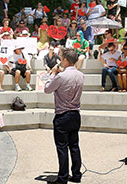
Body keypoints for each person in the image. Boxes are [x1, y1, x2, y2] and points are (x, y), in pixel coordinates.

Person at [43, 49, 83, 184]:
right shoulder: (80, 75)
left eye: (61, 58)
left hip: (63, 114)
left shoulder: (60, 76)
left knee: (62, 147)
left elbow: (47, 89)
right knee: (74, 146)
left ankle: (62, 177)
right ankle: (76, 175)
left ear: (66, 60)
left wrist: (53, 74)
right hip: (75, 114)